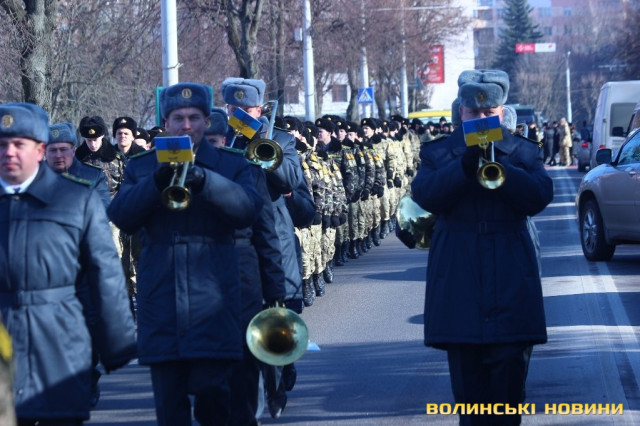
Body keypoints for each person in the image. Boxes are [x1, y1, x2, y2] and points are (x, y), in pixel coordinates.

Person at [107, 82, 263, 425]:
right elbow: (121, 216)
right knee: (170, 407)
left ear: (207, 121)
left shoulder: (230, 164)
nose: (187, 125)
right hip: (161, 302)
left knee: (214, 397)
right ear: (166, 122)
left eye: (194, 118)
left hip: (214, 302)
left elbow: (247, 210)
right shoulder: (142, 167)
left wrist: (205, 179)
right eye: (178, 118)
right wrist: (156, 181)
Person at [411, 70, 553, 426]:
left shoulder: (522, 151)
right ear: (461, 112)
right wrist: (463, 166)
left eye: (489, 113)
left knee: (507, 402)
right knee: (471, 404)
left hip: (511, 279)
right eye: (474, 113)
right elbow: (426, 195)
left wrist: (502, 168)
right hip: (459, 282)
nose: (481, 119)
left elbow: (539, 196)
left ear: (501, 113)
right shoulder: (438, 153)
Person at [0, 102, 136, 425]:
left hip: (60, 344)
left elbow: (105, 274)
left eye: (19, 144)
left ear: (38, 150)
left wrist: (116, 343)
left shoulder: (77, 199)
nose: (9, 153)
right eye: (2, 145)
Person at [221, 77, 309, 419]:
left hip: (273, 238)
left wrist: (262, 145)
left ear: (260, 110)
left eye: (247, 109)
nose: (240, 115)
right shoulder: (221, 139)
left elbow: (291, 181)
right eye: (234, 109)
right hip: (235, 243)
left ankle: (278, 380)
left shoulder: (281, 140)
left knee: (276, 316)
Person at [204, 107, 288, 426]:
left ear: (225, 140)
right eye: (205, 142)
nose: (210, 148)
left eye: (215, 141)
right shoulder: (183, 173)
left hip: (243, 282)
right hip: (201, 285)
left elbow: (266, 236)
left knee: (244, 363)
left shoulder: (247, 172)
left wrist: (275, 290)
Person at [46, 121, 111, 208]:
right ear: (44, 152)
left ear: (73, 150)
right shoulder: (34, 175)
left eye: (63, 149)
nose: (58, 155)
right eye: (53, 150)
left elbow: (103, 208)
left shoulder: (93, 176)